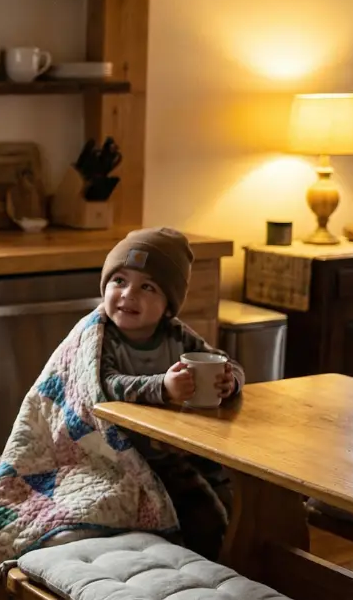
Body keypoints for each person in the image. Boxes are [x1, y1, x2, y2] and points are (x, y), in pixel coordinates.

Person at [96, 227, 245, 560]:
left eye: (147, 286)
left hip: (182, 446)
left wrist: (229, 381)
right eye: (119, 280)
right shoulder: (101, 337)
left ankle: (249, 569)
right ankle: (209, 567)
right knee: (203, 514)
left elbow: (228, 363)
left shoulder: (176, 334)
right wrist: (161, 387)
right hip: (129, 456)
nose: (128, 294)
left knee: (240, 495)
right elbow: (105, 383)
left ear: (167, 306)